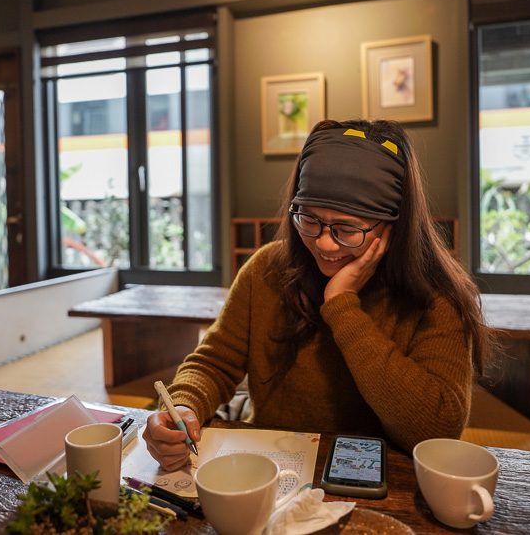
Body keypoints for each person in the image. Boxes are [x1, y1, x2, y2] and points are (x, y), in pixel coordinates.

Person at [143, 118, 491, 471]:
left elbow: (436, 430)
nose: (324, 243)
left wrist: (342, 306)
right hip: (272, 471)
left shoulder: (436, 298)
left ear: (393, 224)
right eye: (309, 219)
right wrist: (184, 405)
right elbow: (214, 362)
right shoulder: (266, 270)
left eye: (346, 228)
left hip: (379, 481)